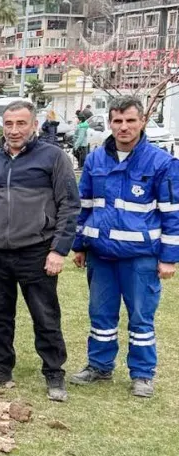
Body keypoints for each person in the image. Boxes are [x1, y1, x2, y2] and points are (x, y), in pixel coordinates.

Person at [0, 99, 80, 402]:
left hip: (36, 251)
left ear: (34, 125)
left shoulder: (53, 158)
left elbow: (69, 205)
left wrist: (59, 250)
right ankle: (0, 369)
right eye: (9, 124)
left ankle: (54, 373)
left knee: (45, 316)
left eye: (21, 124)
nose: (14, 130)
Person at [69, 96, 179, 398]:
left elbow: (173, 214)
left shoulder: (161, 163)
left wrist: (169, 258)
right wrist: (79, 245)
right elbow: (84, 206)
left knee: (141, 318)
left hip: (140, 258)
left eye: (130, 120)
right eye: (117, 121)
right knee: (100, 315)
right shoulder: (95, 160)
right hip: (101, 255)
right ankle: (99, 366)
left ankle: (142, 374)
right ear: (109, 123)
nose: (124, 127)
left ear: (142, 121)